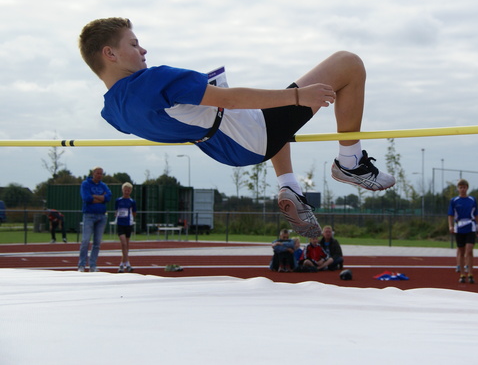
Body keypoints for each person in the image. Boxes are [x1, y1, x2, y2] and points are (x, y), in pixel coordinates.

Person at [78, 18, 395, 240]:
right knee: (348, 62)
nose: (143, 50)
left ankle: (290, 185)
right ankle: (350, 163)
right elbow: (228, 99)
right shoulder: (153, 79)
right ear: (110, 53)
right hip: (248, 134)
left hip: (225, 148)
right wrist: (299, 96)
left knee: (267, 112)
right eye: (134, 44)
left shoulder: (113, 114)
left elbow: (180, 118)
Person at [78, 166, 112, 272]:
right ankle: (82, 265)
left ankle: (92, 265)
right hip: (89, 215)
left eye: (101, 173)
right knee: (85, 240)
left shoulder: (104, 186)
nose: (99, 175)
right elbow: (86, 198)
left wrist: (95, 197)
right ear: (93, 173)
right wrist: (101, 198)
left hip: (101, 216)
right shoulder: (85, 184)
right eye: (98, 173)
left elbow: (109, 197)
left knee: (97, 243)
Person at [447, 179, 478, 284]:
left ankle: (470, 273)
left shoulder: (472, 199)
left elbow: (476, 214)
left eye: (464, 187)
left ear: (467, 188)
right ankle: (462, 274)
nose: (462, 189)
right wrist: (451, 226)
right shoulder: (454, 200)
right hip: (459, 226)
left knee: (469, 250)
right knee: (461, 251)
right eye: (460, 187)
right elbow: (451, 215)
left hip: (470, 226)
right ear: (458, 189)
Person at [115, 182, 137, 273]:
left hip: (128, 224)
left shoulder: (132, 202)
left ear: (130, 191)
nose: (127, 192)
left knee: (126, 245)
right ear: (122, 190)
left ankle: (123, 264)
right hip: (120, 224)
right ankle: (126, 264)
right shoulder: (118, 200)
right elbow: (116, 211)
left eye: (128, 190)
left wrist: (129, 217)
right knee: (123, 244)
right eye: (125, 190)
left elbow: (134, 213)